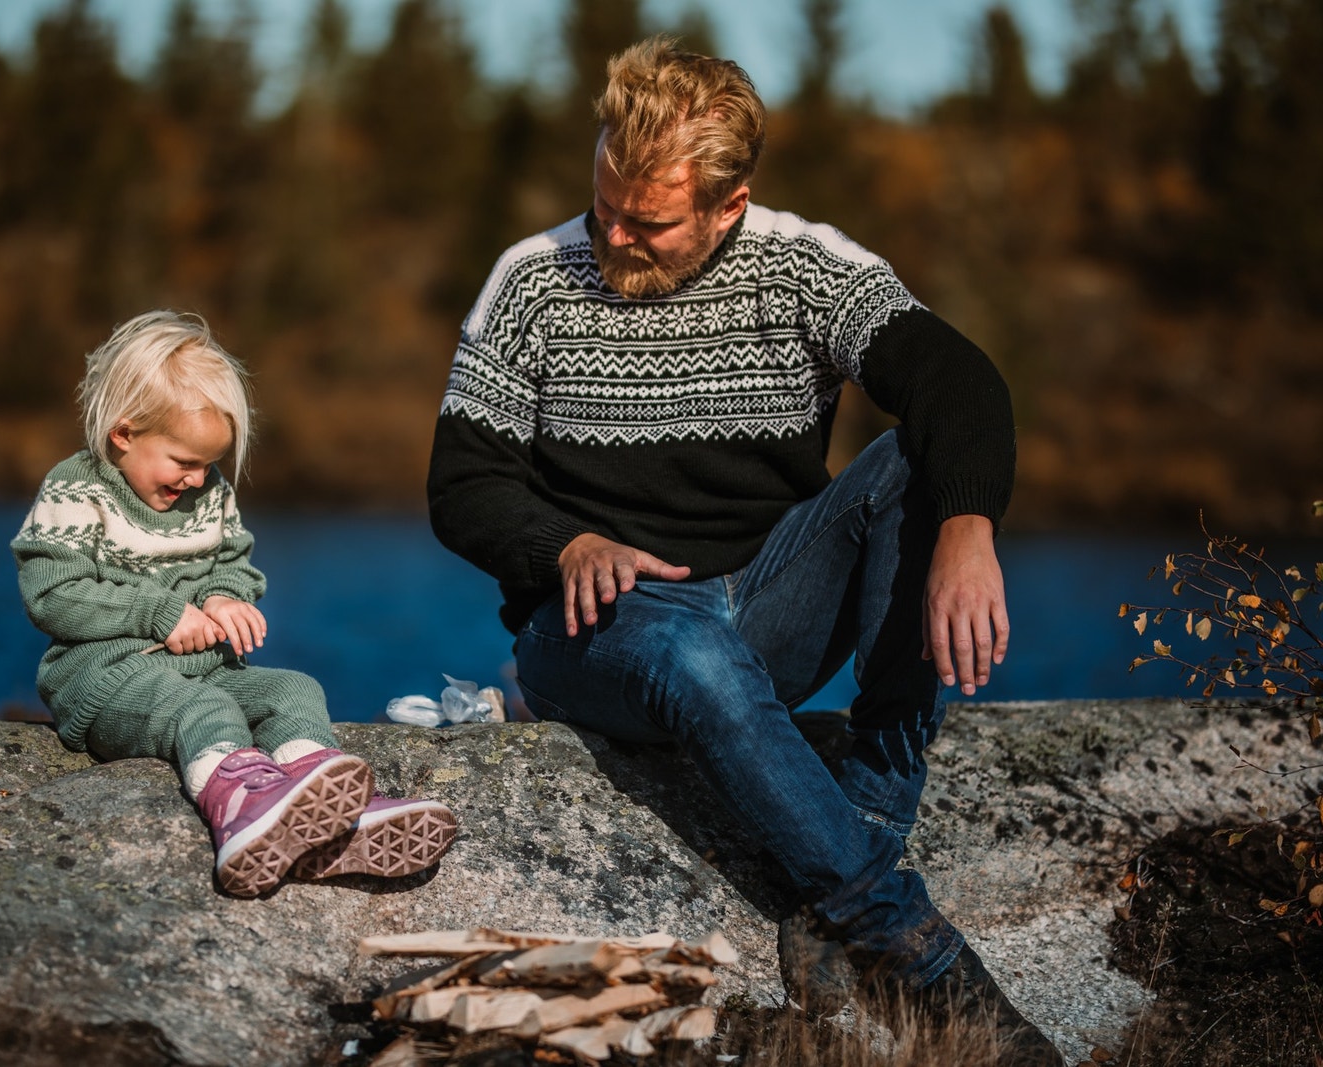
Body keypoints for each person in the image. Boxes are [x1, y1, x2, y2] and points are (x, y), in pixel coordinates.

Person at [427, 37, 1063, 1066]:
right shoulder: (531, 280)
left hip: (764, 607)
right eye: (603, 208)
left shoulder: (805, 266)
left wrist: (966, 524)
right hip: (591, 633)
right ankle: (912, 952)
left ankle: (865, 813)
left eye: (648, 222)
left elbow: (958, 377)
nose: (614, 237)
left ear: (728, 206)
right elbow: (460, 487)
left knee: (914, 461)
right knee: (688, 648)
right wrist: (567, 541)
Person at [13, 310, 457, 897]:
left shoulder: (210, 495)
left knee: (294, 690)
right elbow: (53, 595)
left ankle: (324, 812)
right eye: (184, 462)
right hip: (104, 679)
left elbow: (233, 564)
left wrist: (225, 598)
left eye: (209, 464)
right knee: (201, 711)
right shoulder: (76, 491)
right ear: (124, 434)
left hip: (205, 668)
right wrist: (160, 614)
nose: (197, 479)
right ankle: (245, 808)